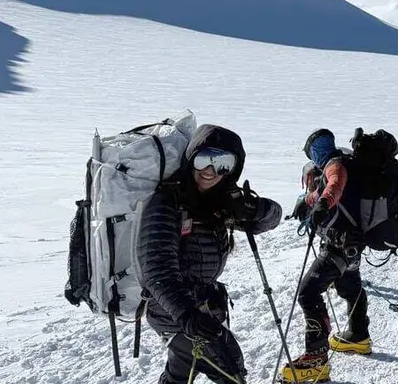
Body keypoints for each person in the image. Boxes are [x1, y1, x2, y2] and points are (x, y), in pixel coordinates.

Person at [137, 124, 283, 384]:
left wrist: (252, 207)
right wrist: (187, 315)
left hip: (202, 303)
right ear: (191, 158)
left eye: (223, 163)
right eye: (204, 159)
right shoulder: (166, 202)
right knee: (230, 369)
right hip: (172, 308)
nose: (210, 171)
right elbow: (156, 269)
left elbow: (270, 220)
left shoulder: (221, 201)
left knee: (181, 368)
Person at [280, 128, 371, 383]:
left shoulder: (336, 165)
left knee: (308, 292)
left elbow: (334, 186)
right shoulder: (346, 163)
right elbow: (325, 190)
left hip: (337, 245)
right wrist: (308, 200)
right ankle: (358, 336)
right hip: (352, 243)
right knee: (351, 286)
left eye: (312, 150)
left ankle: (316, 358)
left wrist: (322, 203)